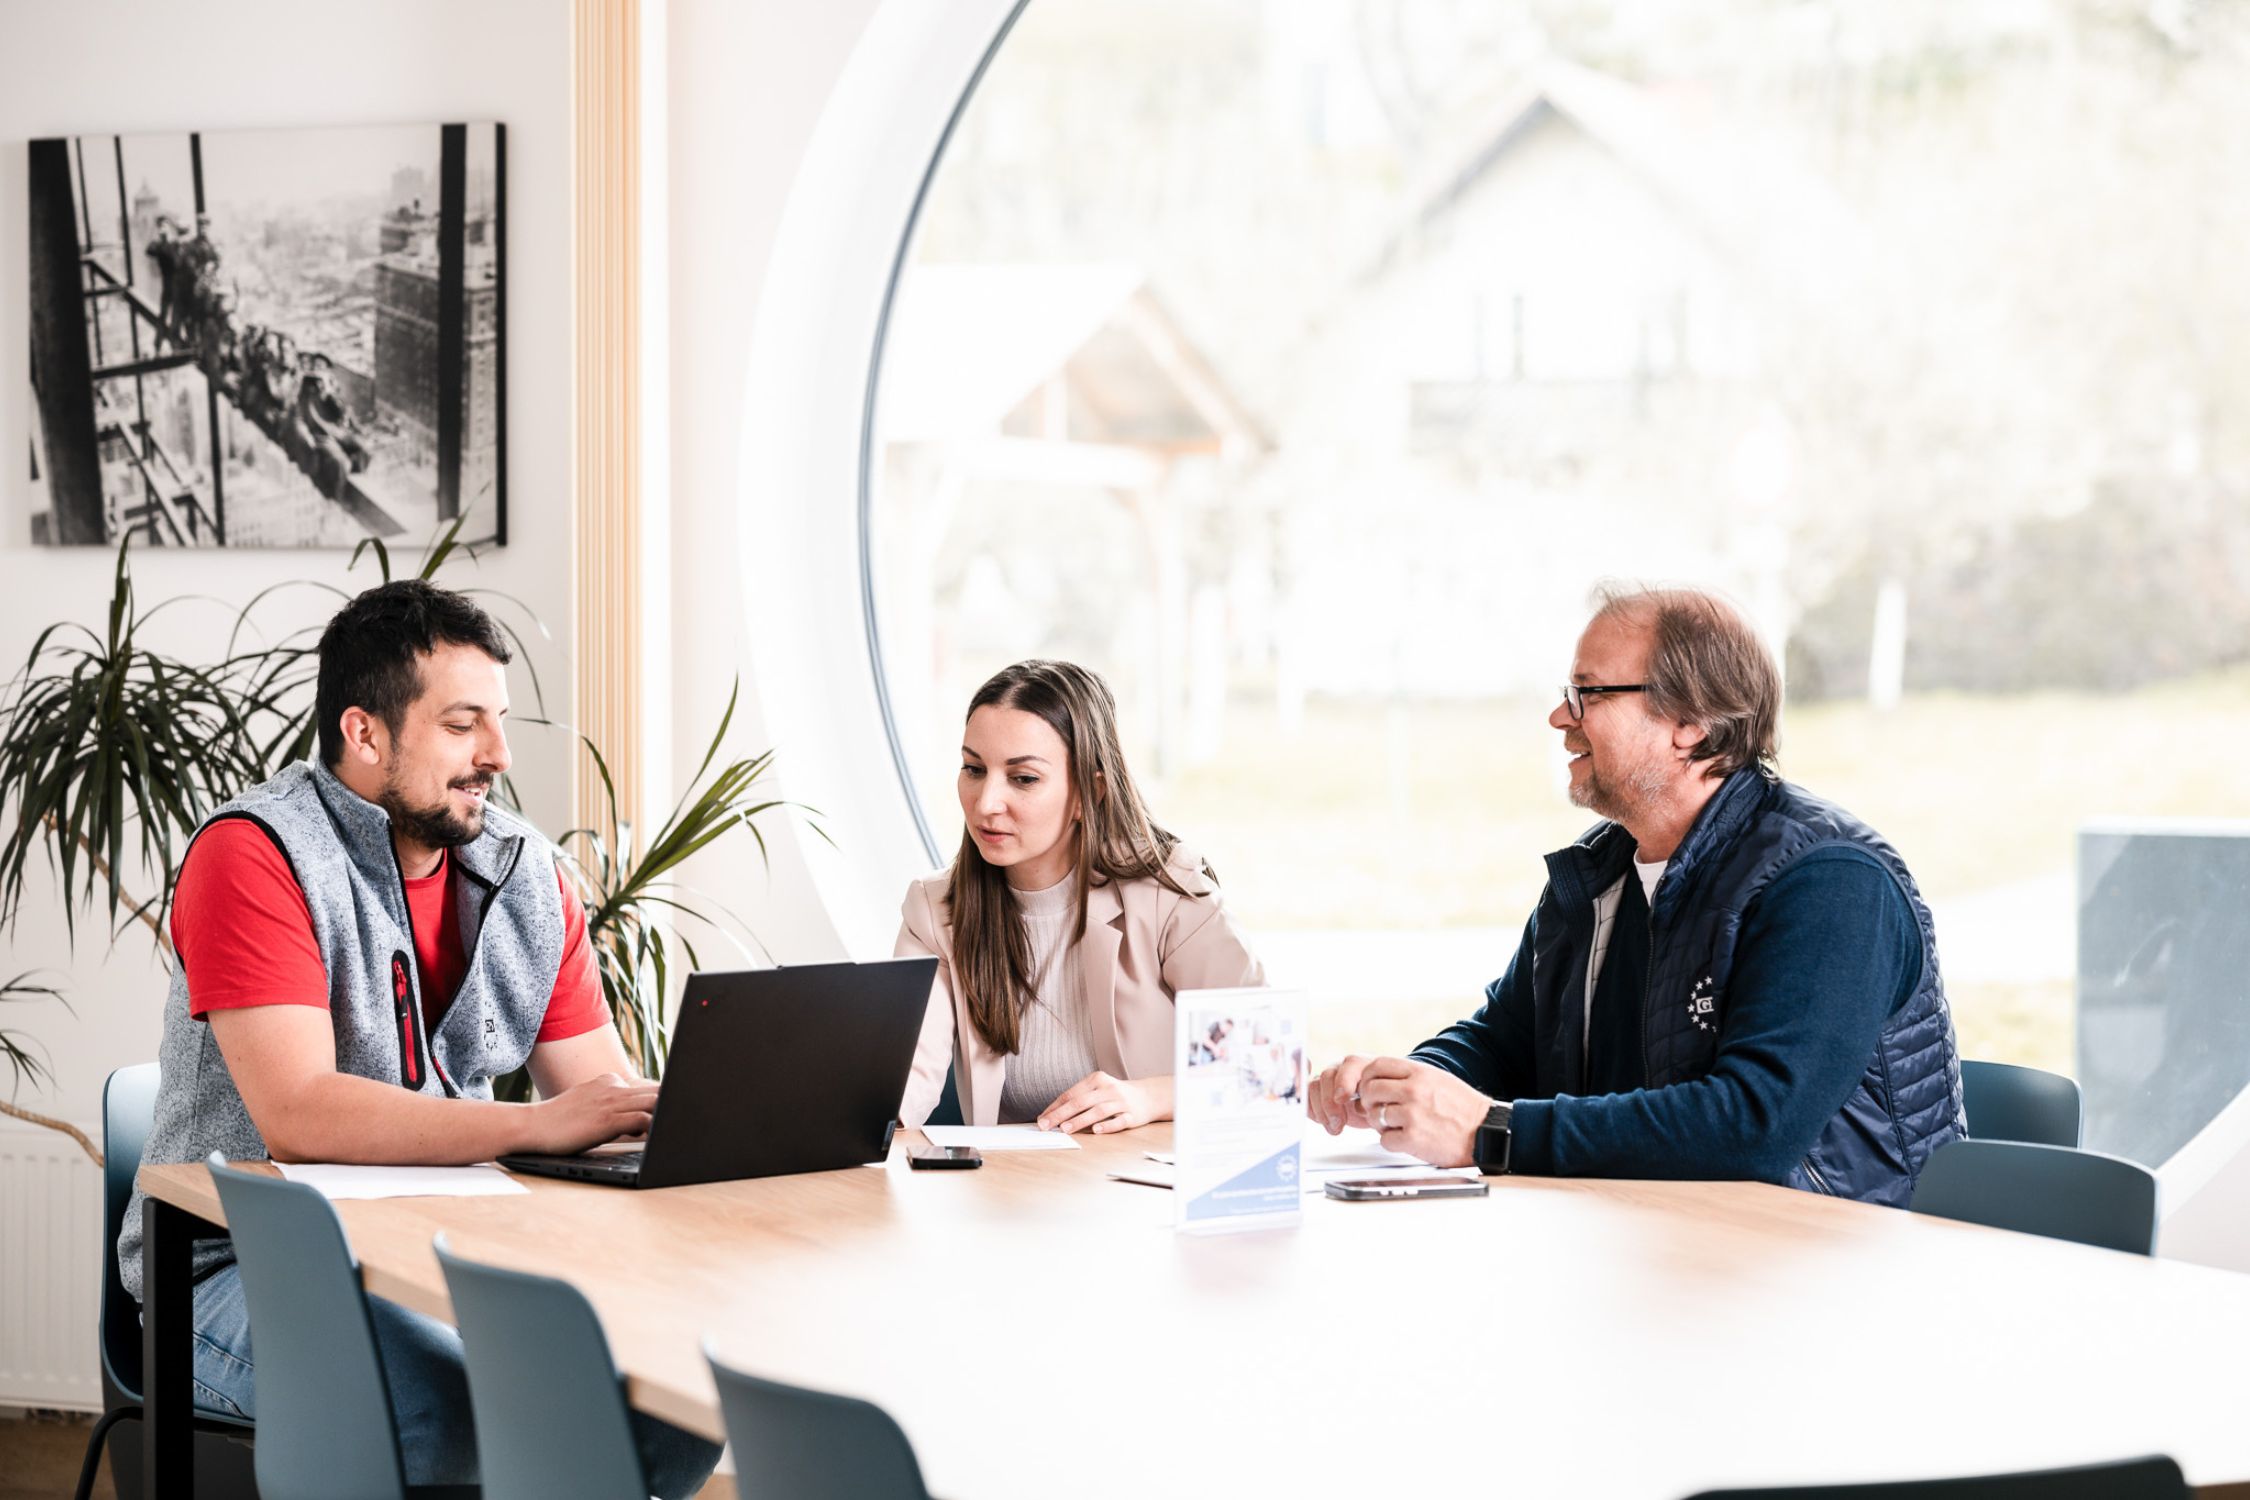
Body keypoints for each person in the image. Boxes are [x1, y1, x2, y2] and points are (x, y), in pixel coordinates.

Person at [118, 580, 719, 1496]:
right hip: (243, 1265)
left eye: (501, 721)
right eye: (462, 724)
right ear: (364, 733)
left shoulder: (530, 876)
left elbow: (600, 1098)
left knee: (672, 1412)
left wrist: (706, 1121)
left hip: (448, 1250)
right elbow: (300, 1114)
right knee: (442, 1414)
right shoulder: (250, 854)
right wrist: (532, 1125)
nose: (498, 755)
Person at [1309, 585, 1965, 1204]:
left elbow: (1754, 1124)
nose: (1560, 716)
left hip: (1836, 1280)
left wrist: (1491, 1131)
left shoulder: (1830, 884)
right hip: (1657, 1252)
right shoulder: (1597, 876)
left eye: (1588, 692)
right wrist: (1403, 1087)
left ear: (1691, 722)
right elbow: (1506, 1043)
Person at [896, 659, 1265, 1133]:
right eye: (973, 768)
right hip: (1008, 1194)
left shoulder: (1166, 890)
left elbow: (1270, 1066)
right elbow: (904, 1084)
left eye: (1023, 778)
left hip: (1148, 1186)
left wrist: (1150, 1096)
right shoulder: (934, 910)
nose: (985, 803)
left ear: (1089, 791)